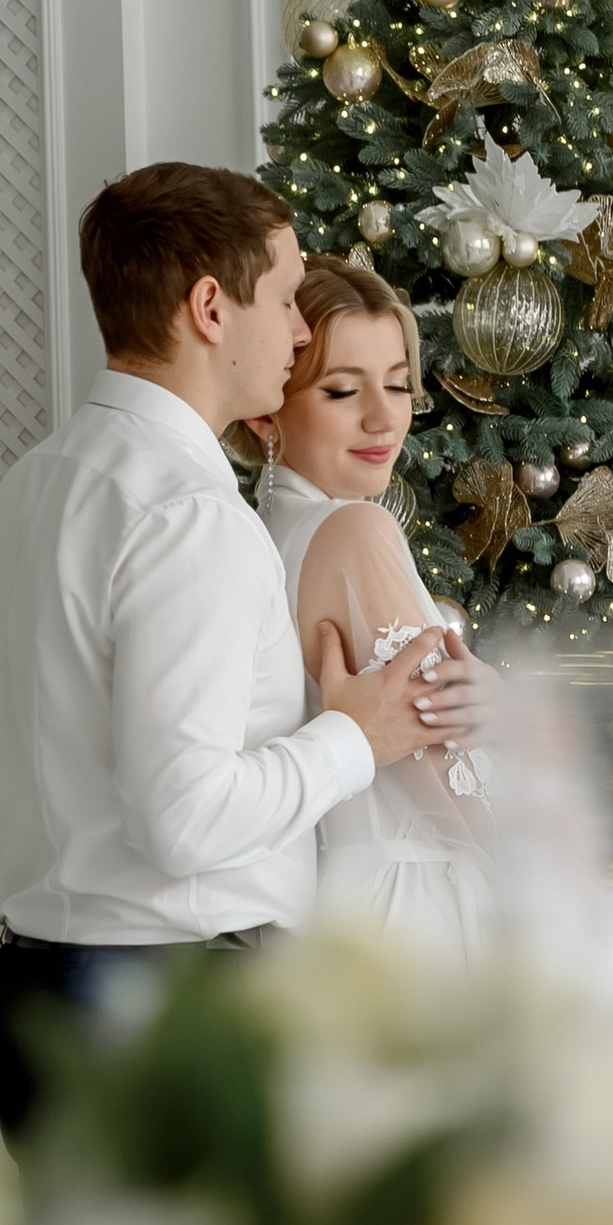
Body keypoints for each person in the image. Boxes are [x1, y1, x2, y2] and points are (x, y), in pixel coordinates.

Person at [0, 164, 486, 1141]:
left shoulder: (33, 486)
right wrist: (354, 739)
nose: (296, 332)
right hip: (161, 999)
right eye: (287, 298)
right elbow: (185, 820)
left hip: (35, 983)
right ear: (211, 306)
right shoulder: (187, 515)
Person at [244, 259, 495, 954]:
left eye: (397, 383)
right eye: (342, 389)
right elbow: (439, 754)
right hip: (414, 914)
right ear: (269, 408)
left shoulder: (265, 535)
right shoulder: (354, 530)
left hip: (342, 908)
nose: (384, 416)